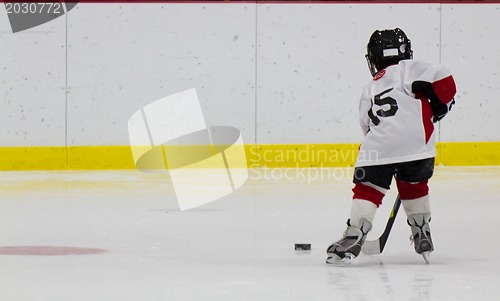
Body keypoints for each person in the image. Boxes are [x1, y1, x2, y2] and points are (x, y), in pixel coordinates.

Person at [326, 28, 456, 264]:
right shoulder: (409, 69)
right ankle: (421, 231)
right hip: (418, 145)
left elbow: (366, 125)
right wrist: (439, 106)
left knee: (368, 189)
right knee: (414, 185)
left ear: (374, 57)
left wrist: (383, 149)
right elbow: (445, 81)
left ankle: (355, 233)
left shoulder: (370, 87)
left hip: (379, 146)